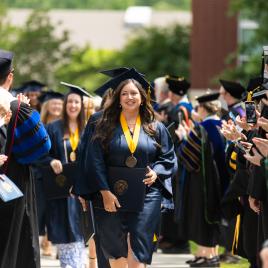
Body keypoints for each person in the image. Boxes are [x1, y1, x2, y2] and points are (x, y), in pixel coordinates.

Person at [73, 68, 176, 268]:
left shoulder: (155, 126)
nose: (130, 97)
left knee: (139, 246)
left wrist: (157, 172)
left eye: (134, 93)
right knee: (114, 247)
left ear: (143, 97)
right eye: (125, 93)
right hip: (111, 193)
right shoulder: (102, 123)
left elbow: (168, 157)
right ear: (118, 98)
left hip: (146, 193)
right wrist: (104, 192)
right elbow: (94, 160)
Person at [0, 49, 51, 268]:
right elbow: (42, 146)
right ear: (10, 76)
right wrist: (28, 111)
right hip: (12, 182)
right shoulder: (17, 107)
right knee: (14, 241)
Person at [40, 83, 90, 268]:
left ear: (81, 105)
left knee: (81, 229)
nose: (73, 105)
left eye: (77, 102)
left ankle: (78, 263)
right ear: (65, 104)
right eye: (70, 102)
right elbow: (42, 154)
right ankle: (69, 264)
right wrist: (50, 161)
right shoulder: (53, 128)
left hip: (83, 188)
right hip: (61, 188)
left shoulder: (88, 128)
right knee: (64, 227)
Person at [175, 91, 226, 267]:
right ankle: (209, 254)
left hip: (203, 181)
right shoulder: (224, 124)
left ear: (203, 108)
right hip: (222, 179)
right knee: (214, 215)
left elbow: (186, 156)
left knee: (203, 216)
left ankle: (207, 255)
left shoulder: (201, 128)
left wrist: (183, 138)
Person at [35, 90, 64, 256]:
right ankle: (44, 242)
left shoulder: (66, 127)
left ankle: (55, 243)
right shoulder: (40, 124)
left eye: (59, 103)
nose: (56, 106)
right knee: (43, 210)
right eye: (53, 103)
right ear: (47, 105)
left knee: (57, 211)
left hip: (61, 174)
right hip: (42, 173)